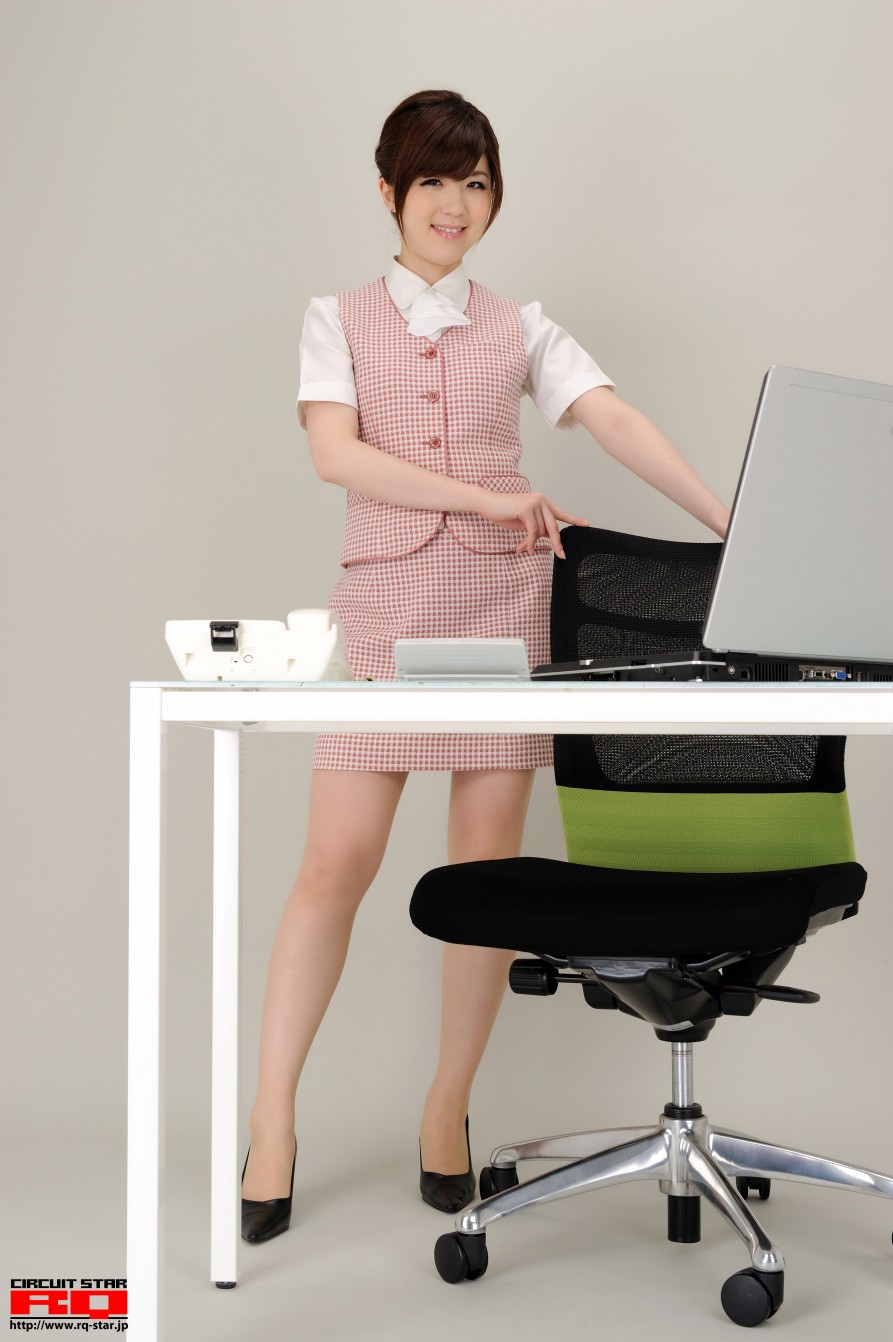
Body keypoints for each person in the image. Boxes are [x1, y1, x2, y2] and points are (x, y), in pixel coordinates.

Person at [240, 88, 731, 1242]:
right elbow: (335, 457)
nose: (454, 204)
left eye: (474, 182)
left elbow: (612, 420)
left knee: (483, 879)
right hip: (386, 605)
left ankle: (445, 1108)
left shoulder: (520, 324)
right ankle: (271, 1118)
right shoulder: (334, 318)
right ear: (388, 193)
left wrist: (730, 523)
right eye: (432, 182)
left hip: (503, 613)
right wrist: (483, 495)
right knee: (334, 864)